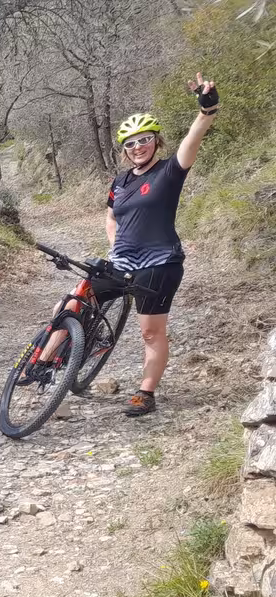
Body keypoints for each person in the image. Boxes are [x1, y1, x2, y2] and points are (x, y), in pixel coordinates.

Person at [105, 75, 218, 416]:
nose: (138, 146)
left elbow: (194, 136)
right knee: (74, 301)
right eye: (130, 143)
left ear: (156, 141)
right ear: (124, 150)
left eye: (144, 140)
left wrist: (207, 107)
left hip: (159, 261)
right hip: (123, 258)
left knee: (151, 333)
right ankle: (46, 361)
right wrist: (115, 246)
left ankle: (145, 393)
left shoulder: (171, 170)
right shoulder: (120, 180)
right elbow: (111, 216)